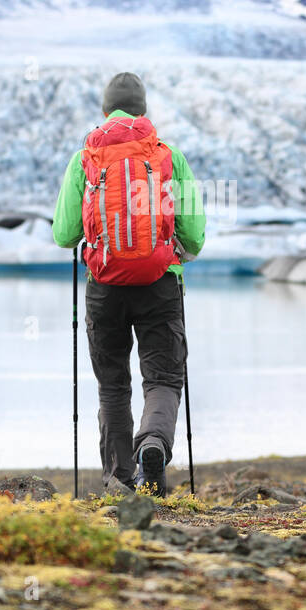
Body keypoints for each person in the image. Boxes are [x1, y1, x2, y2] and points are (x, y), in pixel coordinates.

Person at [52, 72, 206, 495]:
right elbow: (193, 234)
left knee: (113, 385)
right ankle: (152, 445)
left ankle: (118, 481)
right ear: (143, 111)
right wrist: (174, 254)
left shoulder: (85, 158)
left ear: (105, 111)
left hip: (104, 288)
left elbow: (64, 234)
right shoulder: (168, 156)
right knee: (163, 378)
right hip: (160, 284)